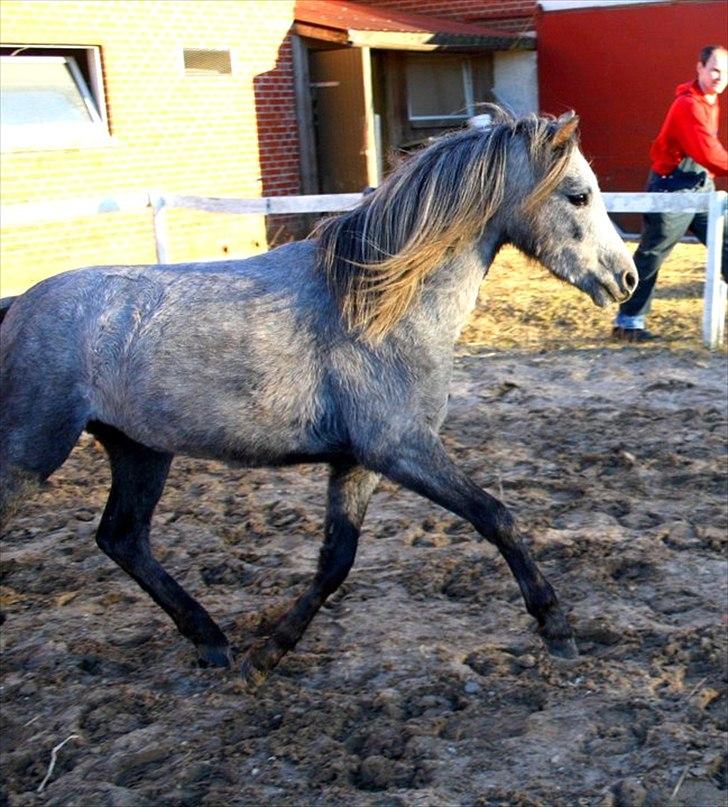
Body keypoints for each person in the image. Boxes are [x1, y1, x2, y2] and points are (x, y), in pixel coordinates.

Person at [612, 45, 728, 342]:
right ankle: (628, 322)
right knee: (652, 255)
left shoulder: (711, 99)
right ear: (700, 68)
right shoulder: (687, 105)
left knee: (726, 244)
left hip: (701, 185)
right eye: (714, 69)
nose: (720, 77)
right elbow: (707, 151)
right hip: (671, 188)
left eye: (725, 72)